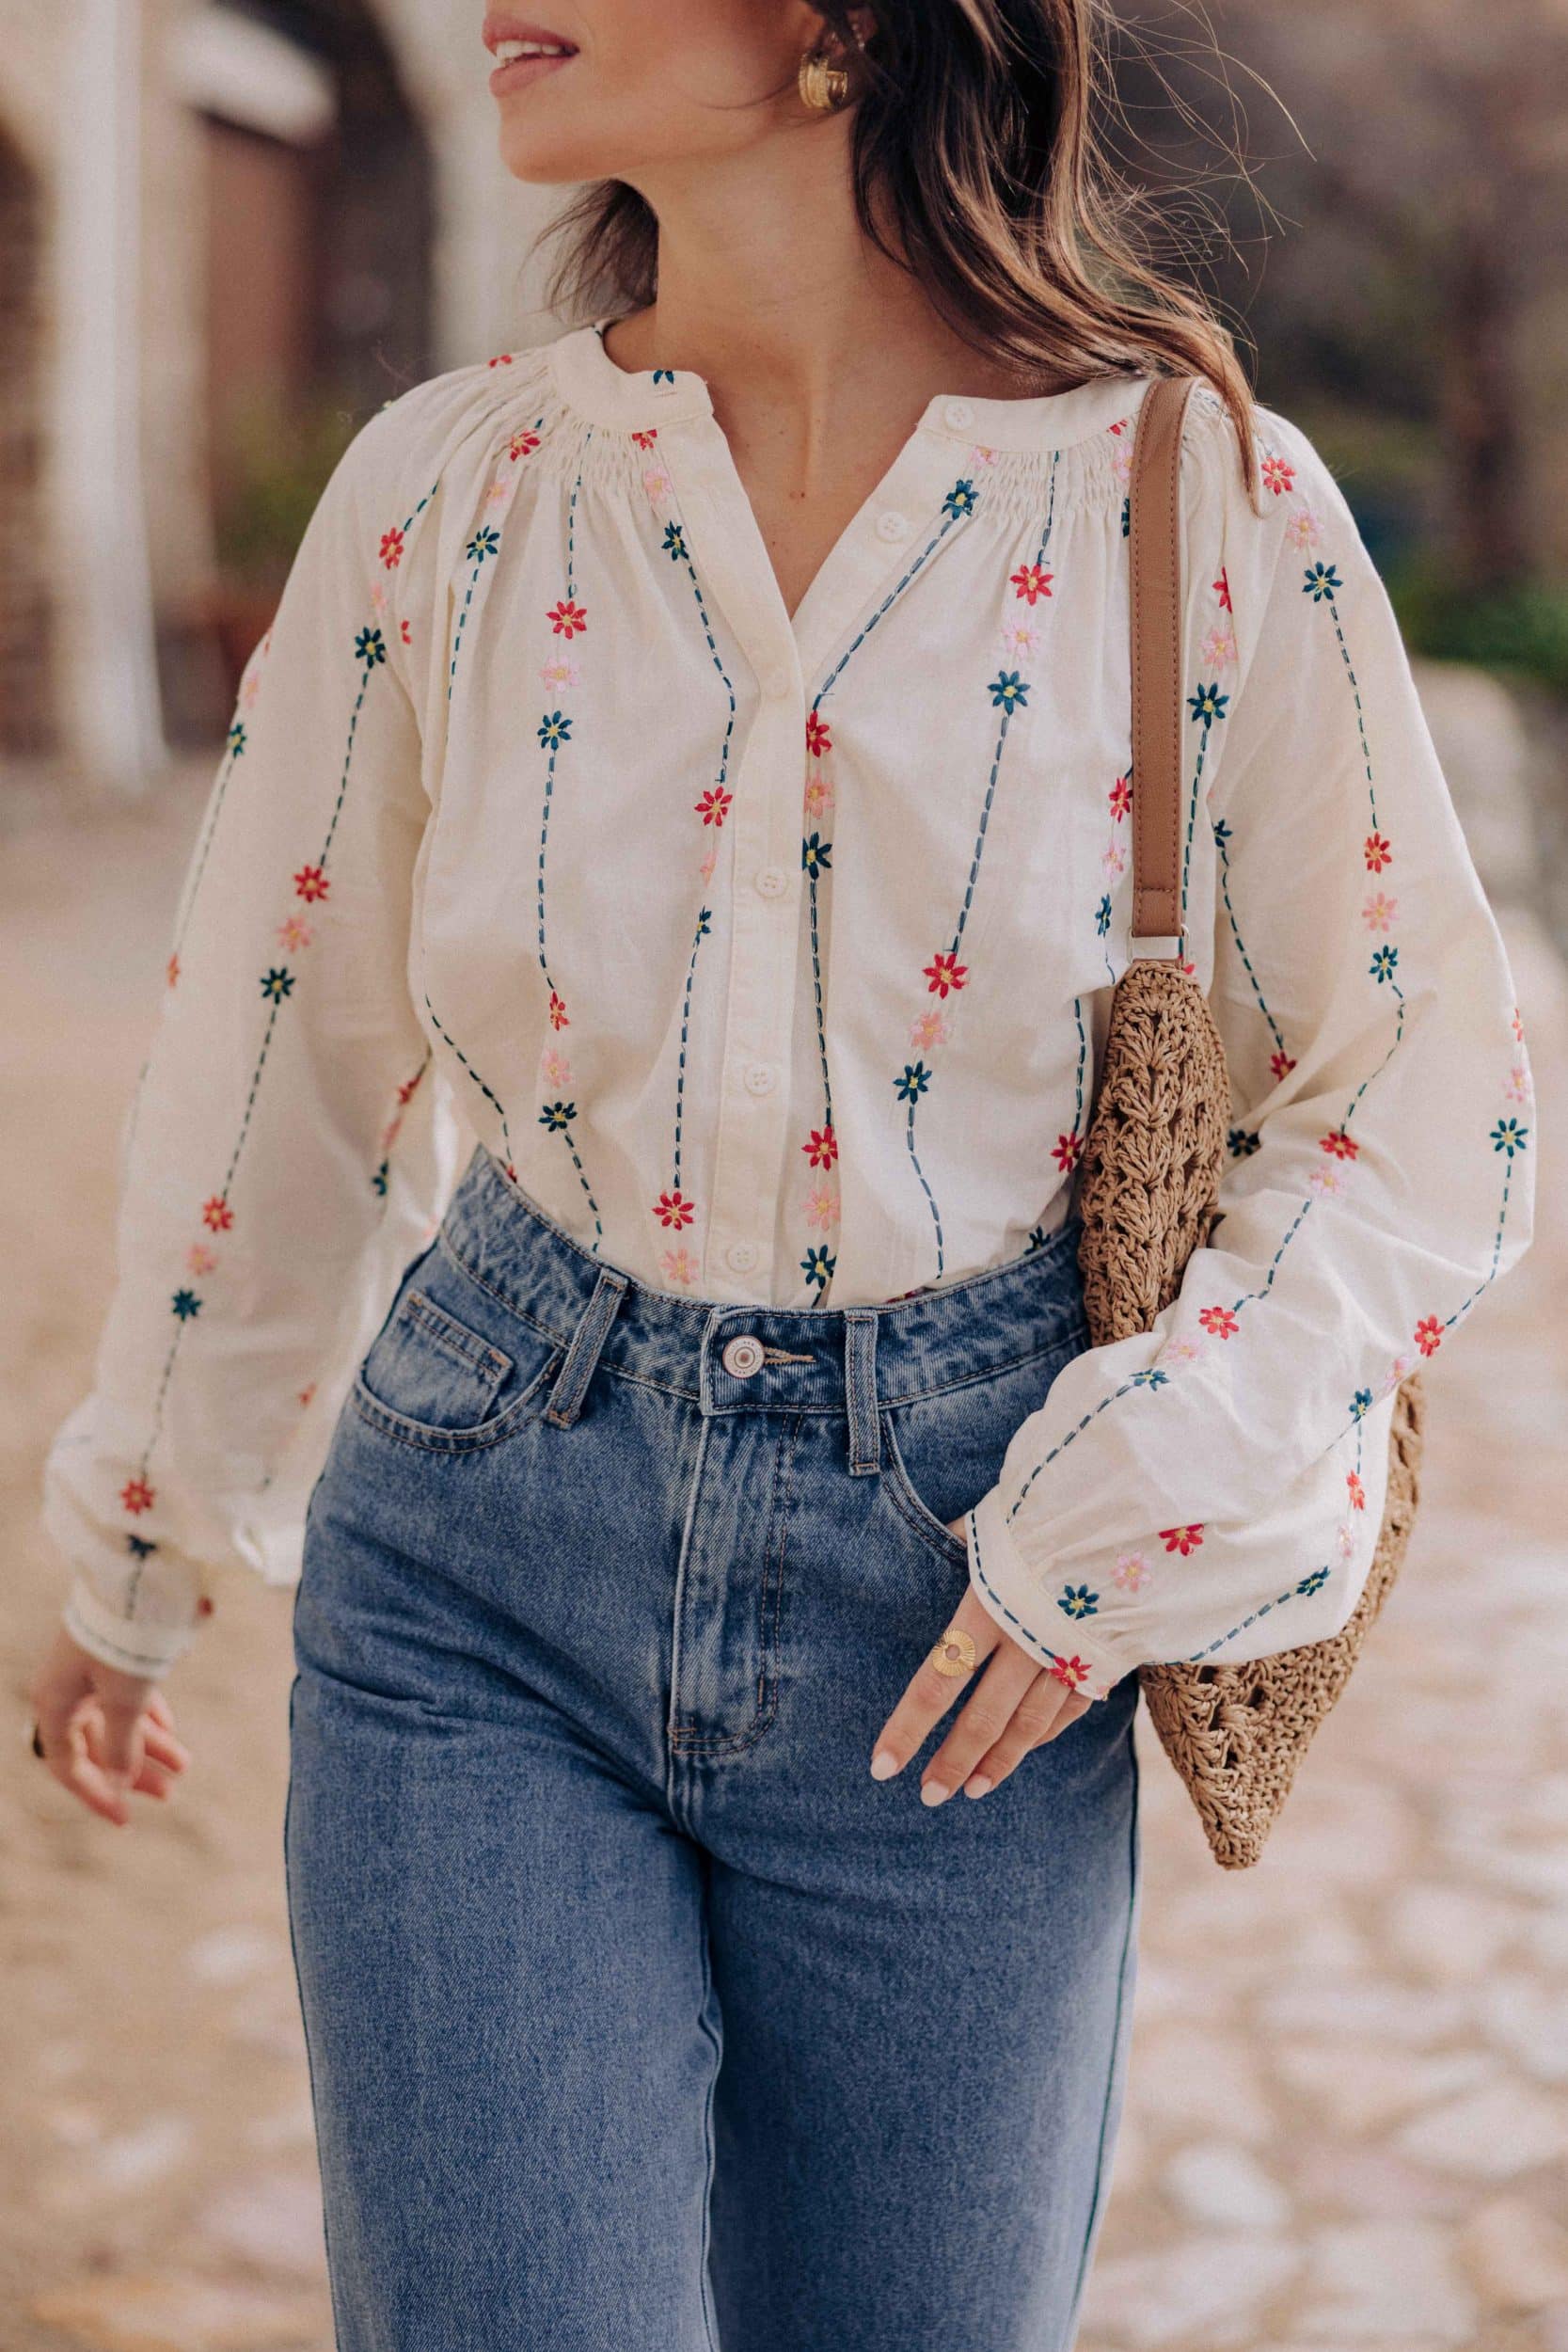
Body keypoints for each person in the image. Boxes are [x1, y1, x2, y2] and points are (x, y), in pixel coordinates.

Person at [29, 4, 1535, 2347]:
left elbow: (1436, 1081)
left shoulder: (1197, 503)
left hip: (961, 1615)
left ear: (841, 25)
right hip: (474, 1578)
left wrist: (1135, 1495)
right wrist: (137, 1538)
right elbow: (275, 1045)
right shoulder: (453, 490)